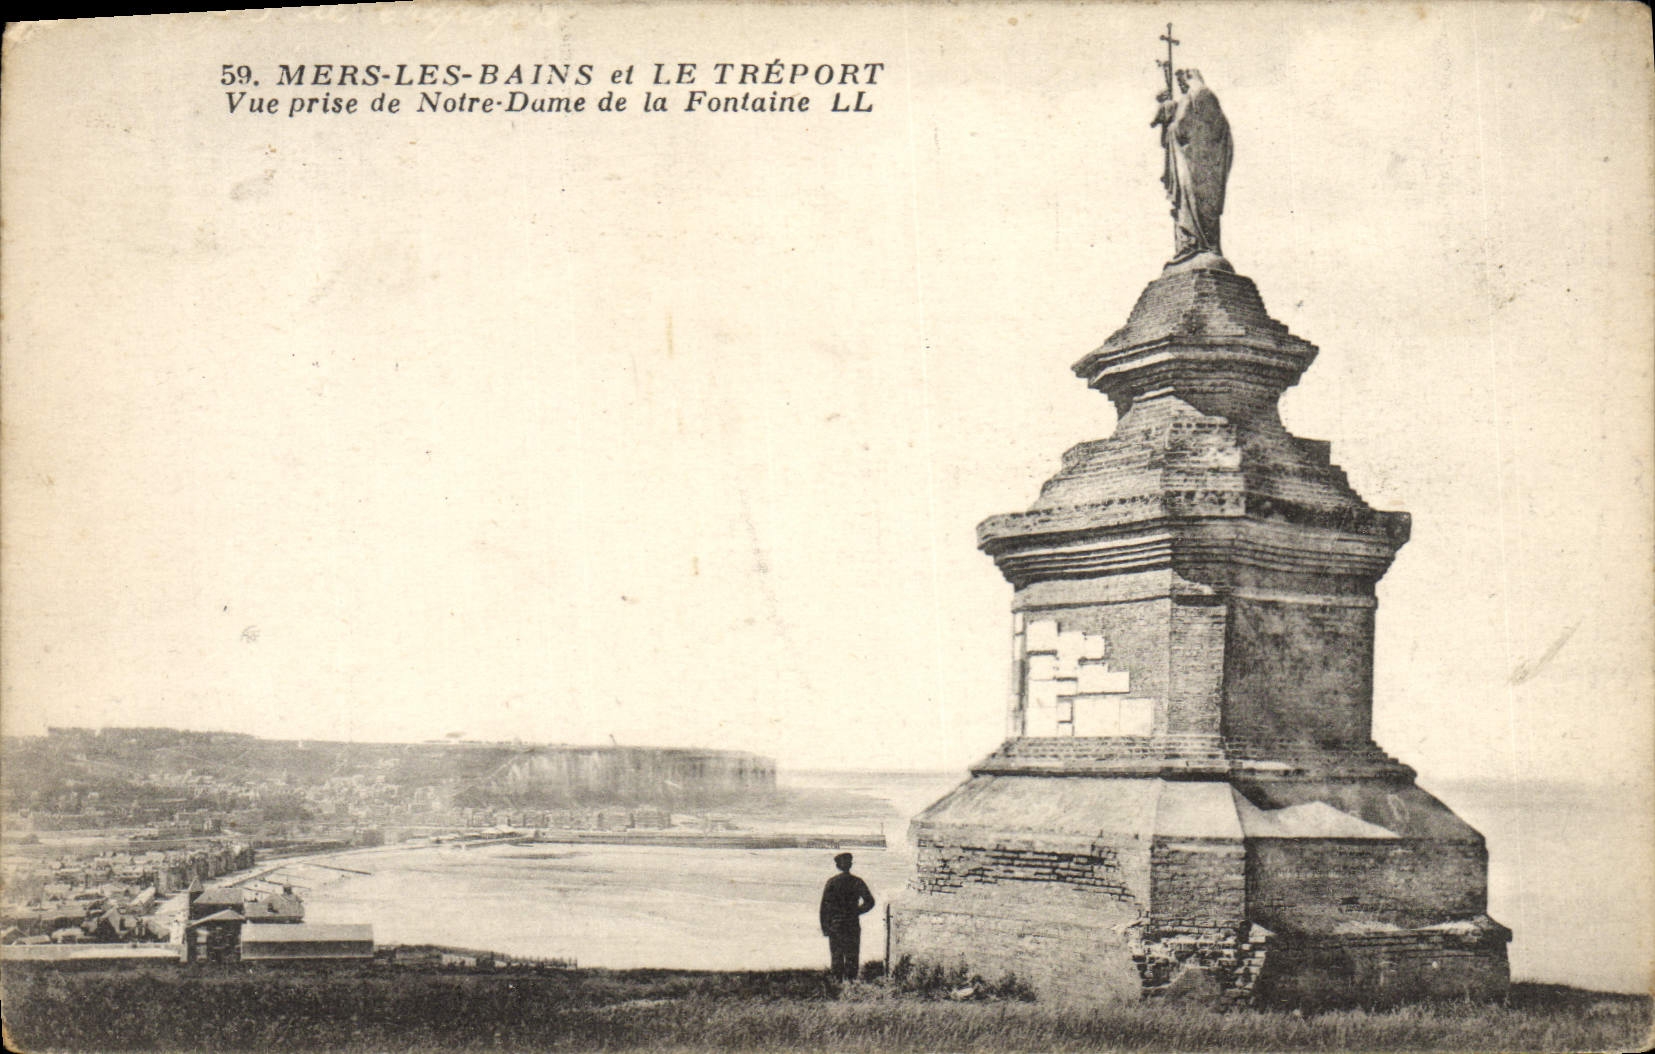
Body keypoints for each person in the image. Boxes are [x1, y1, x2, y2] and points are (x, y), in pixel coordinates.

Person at [818, 851, 875, 982]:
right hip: (852, 924)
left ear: (837, 866)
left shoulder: (832, 882)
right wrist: (857, 911)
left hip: (835, 925)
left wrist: (825, 928)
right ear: (850, 865)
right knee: (852, 955)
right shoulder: (857, 881)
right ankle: (851, 982)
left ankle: (837, 983)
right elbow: (870, 902)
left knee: (836, 956)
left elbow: (824, 908)